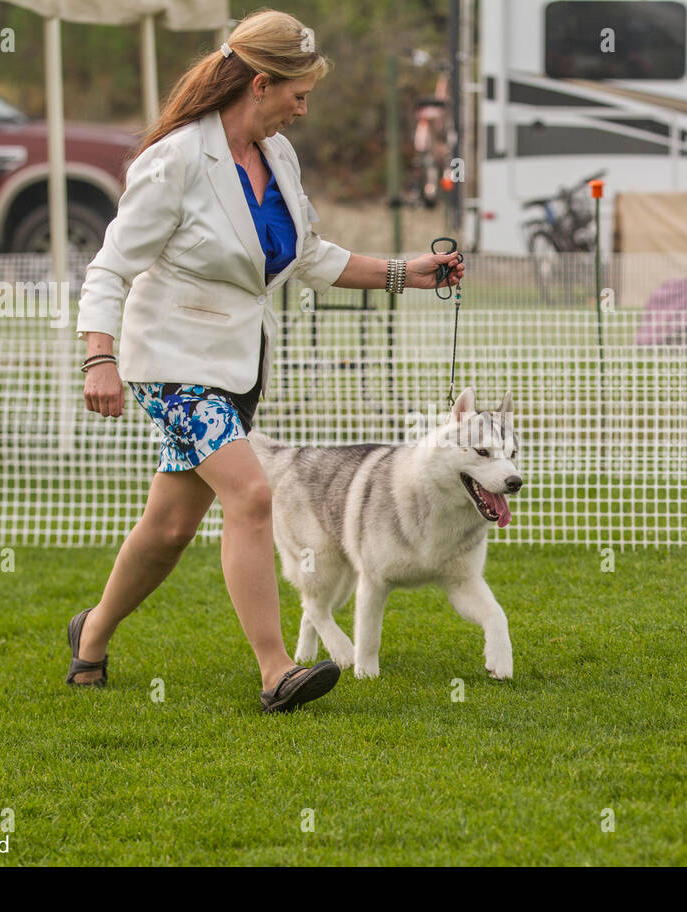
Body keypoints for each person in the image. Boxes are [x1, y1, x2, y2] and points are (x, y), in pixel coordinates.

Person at [68, 8, 464, 713]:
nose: (302, 110)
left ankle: (91, 637)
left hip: (238, 369)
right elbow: (108, 268)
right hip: (171, 364)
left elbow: (310, 257)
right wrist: (98, 357)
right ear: (259, 84)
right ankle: (276, 669)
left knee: (168, 527)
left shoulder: (278, 158)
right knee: (253, 496)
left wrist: (409, 272)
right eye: (297, 94)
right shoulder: (178, 159)